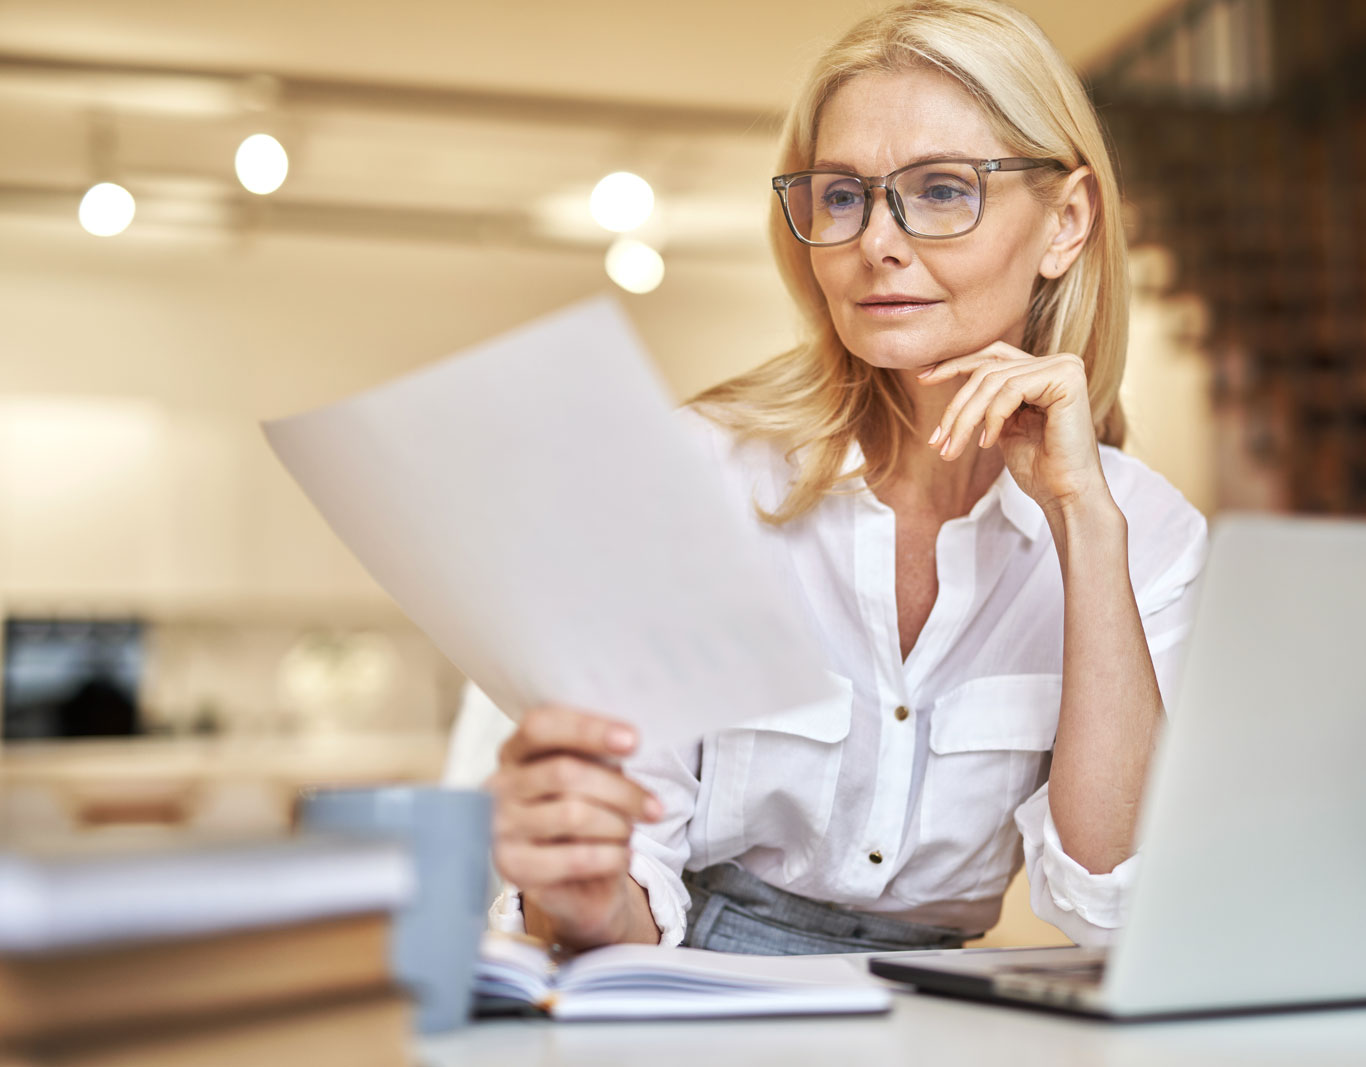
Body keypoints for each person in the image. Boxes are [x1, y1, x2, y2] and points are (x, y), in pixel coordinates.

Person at [444, 0, 1207, 955]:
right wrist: (581, 884)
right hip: (686, 981)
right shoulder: (698, 475)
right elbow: (606, 918)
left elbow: (1115, 908)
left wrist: (1085, 529)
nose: (875, 242)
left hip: (943, 1006)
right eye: (842, 196)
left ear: (1066, 221)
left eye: (940, 190)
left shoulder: (1145, 528)